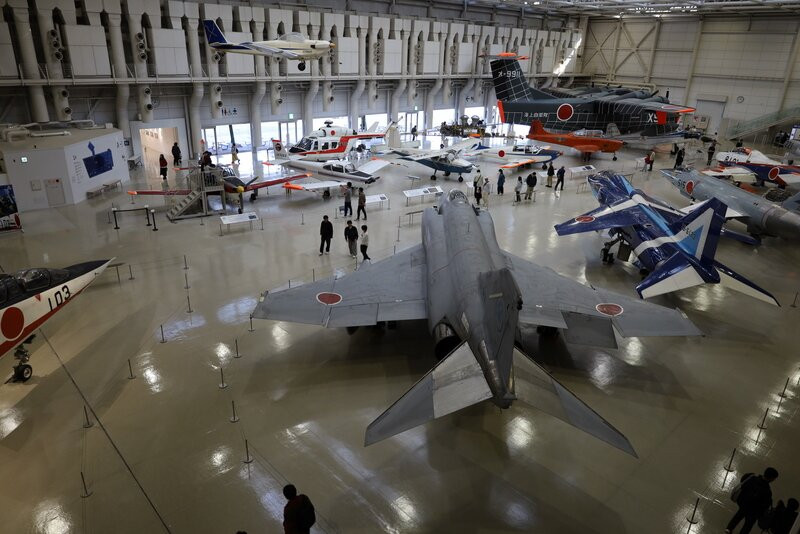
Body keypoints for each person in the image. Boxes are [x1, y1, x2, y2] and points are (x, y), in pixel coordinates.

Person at [725, 467, 778, 534]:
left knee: (738, 516)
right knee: (748, 525)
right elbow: (765, 505)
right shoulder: (767, 491)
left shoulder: (752, 478)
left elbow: (743, 484)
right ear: (771, 478)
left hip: (744, 503)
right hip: (753, 512)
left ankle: (729, 528)